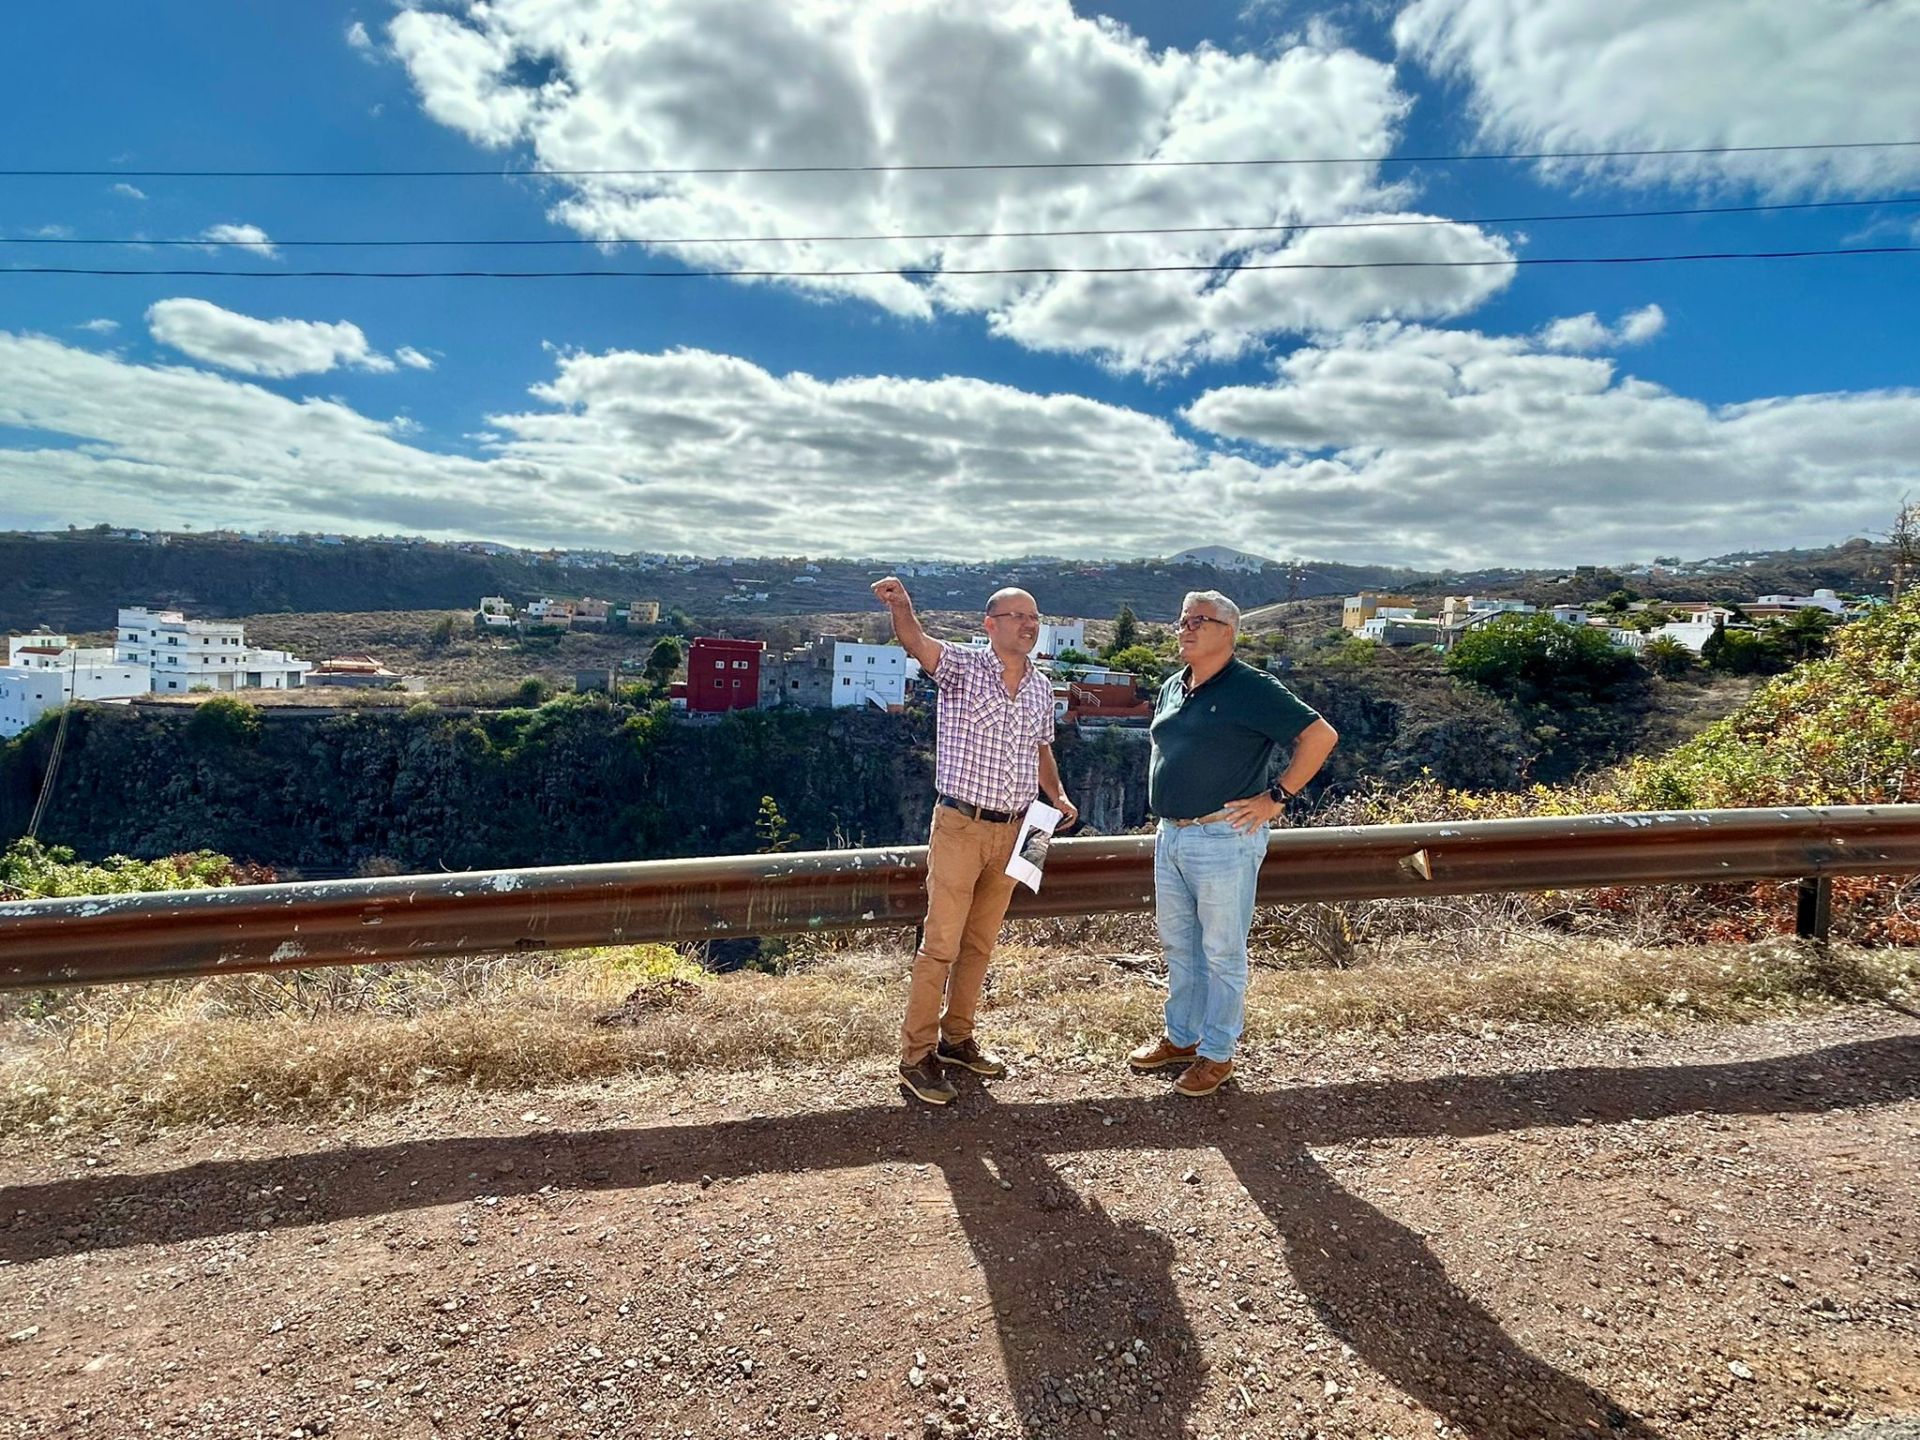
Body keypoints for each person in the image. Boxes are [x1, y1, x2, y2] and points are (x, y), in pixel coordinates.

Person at [873, 576, 1078, 1105]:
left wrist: (1056, 795)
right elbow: (916, 641)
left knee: (981, 943)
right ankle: (916, 1057)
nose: (1029, 625)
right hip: (961, 824)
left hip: (1020, 828)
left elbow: (1041, 748)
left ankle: (957, 1039)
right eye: (1018, 616)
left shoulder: (1040, 686)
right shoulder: (962, 667)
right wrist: (902, 606)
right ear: (990, 625)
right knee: (940, 945)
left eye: (1034, 618)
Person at [1128, 590, 1339, 1098]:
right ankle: (1182, 1038)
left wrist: (1277, 797)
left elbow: (1320, 736)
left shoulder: (1252, 687)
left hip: (1223, 836)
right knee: (1180, 945)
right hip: (1172, 834)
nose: (1185, 629)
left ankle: (1218, 1054)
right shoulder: (1174, 686)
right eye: (1182, 620)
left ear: (1229, 631)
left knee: (1222, 951)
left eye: (1198, 621)